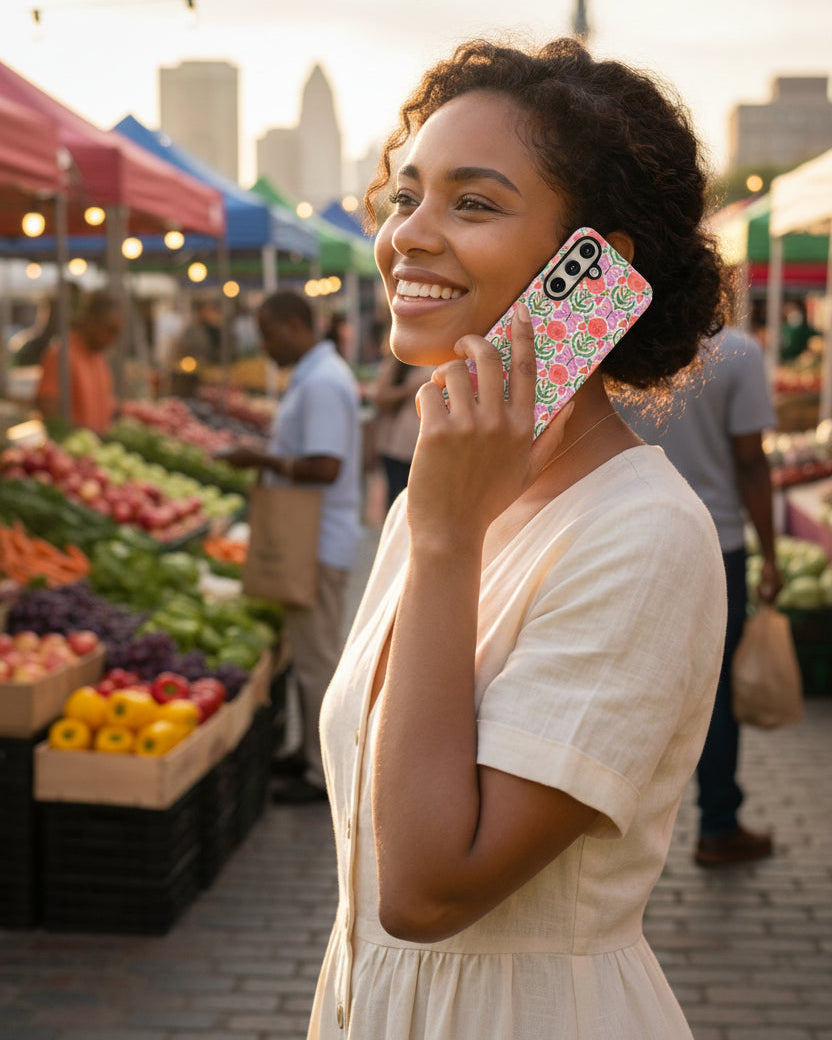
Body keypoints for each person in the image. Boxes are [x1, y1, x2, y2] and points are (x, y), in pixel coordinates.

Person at [307, 38, 729, 1039]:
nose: (409, 233)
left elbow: (424, 888)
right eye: (404, 195)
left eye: (474, 203)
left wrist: (449, 536)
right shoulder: (446, 494)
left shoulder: (643, 535)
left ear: (593, 271)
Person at [616, 325, 783, 867]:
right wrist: (771, 555)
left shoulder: (611, 339)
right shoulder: (738, 353)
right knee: (712, 696)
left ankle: (606, 834)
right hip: (715, 545)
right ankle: (717, 824)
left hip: (618, 537)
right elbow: (751, 461)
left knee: (619, 683)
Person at [223, 291, 362, 803]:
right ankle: (309, 752)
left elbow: (325, 467)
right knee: (308, 656)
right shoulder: (315, 376)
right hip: (314, 537)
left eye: (267, 331)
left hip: (318, 539)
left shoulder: (322, 383)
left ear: (293, 325)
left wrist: (262, 460)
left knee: (317, 660)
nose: (263, 344)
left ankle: (321, 772)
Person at [36, 290, 122, 432]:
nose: (112, 340)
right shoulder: (61, 355)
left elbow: (107, 404)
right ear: (91, 321)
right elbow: (49, 411)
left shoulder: (99, 358)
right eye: (109, 330)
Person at [371, 334, 432, 509]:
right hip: (398, 448)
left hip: (426, 448)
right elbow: (381, 398)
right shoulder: (401, 358)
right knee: (398, 503)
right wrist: (409, 389)